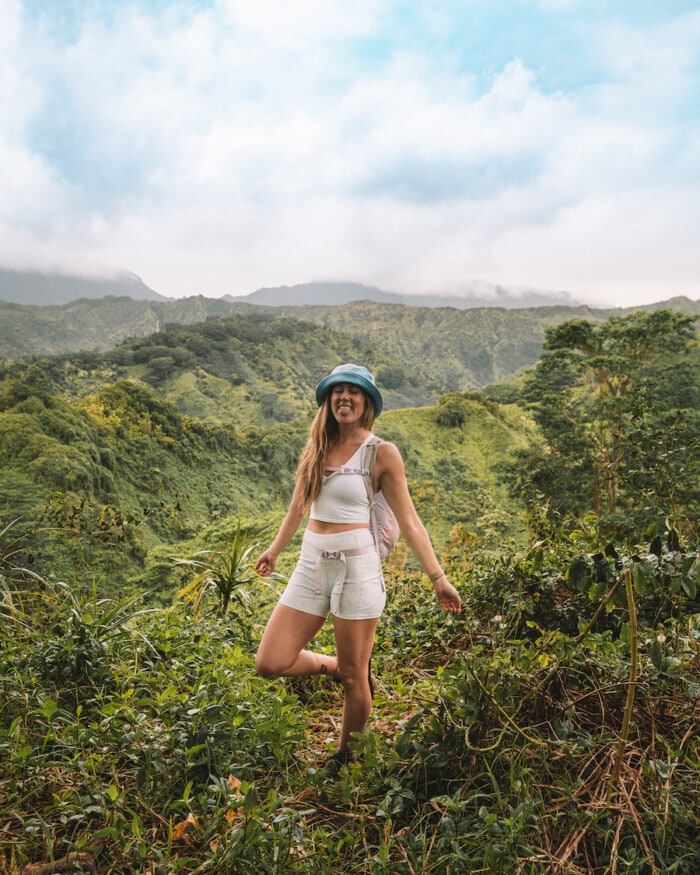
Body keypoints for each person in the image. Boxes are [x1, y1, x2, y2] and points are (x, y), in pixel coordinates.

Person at [254, 363, 461, 777]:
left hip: (358, 568)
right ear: (328, 400)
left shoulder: (381, 452)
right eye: (337, 391)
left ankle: (346, 757)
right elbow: (298, 506)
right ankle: (328, 665)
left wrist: (438, 578)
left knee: (355, 679)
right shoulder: (317, 445)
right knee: (270, 662)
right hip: (312, 563)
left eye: (354, 391)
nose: (344, 398)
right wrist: (275, 551)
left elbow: (411, 521)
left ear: (366, 401)